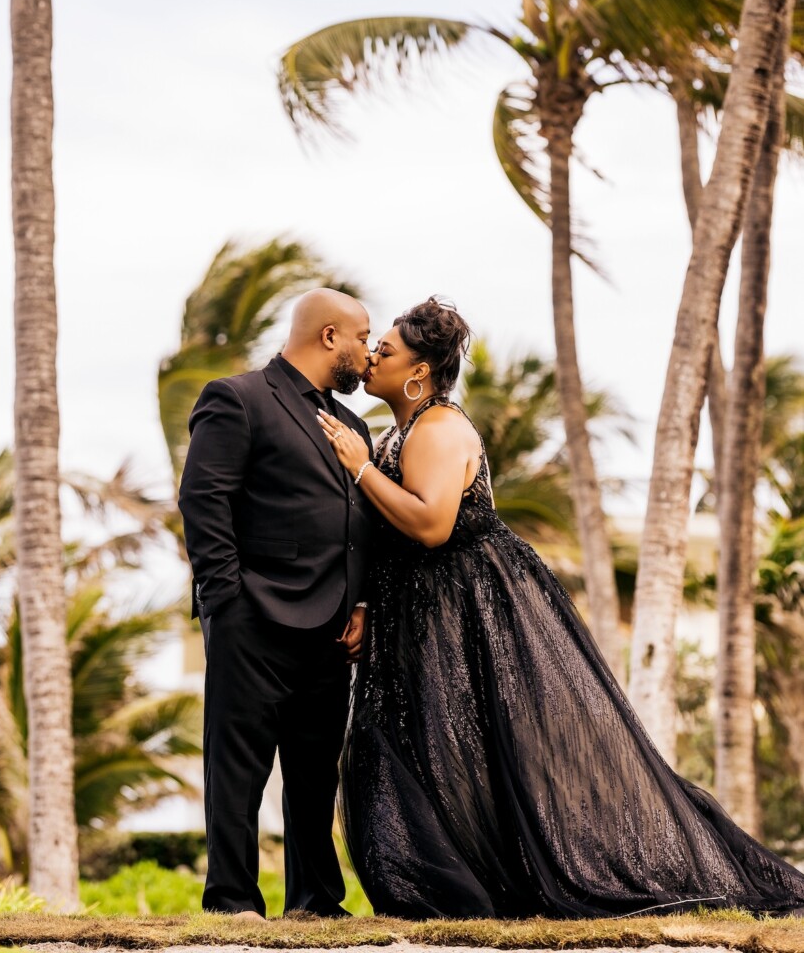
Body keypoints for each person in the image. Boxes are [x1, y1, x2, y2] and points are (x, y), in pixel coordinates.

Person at [318, 296, 804, 920]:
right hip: (418, 616)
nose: (369, 359)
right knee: (425, 747)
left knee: (481, 746)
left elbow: (433, 525)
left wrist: (360, 470)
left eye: (383, 351)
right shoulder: (399, 430)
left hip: (467, 610)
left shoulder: (439, 428)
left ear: (418, 373)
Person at [178, 288, 376, 919]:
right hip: (252, 621)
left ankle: (315, 901)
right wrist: (226, 602)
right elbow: (203, 503)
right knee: (237, 772)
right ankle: (232, 900)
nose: (368, 354)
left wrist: (363, 602)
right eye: (362, 338)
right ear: (328, 337)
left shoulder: (355, 427)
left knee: (316, 775)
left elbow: (359, 522)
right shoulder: (237, 398)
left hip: (330, 632)